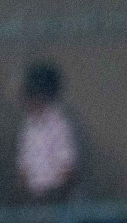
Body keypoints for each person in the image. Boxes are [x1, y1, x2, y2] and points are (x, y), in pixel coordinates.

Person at [15, 62, 80, 204]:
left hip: (58, 197)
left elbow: (69, 170)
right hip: (33, 198)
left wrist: (50, 195)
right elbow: (23, 168)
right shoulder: (27, 126)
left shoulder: (60, 124)